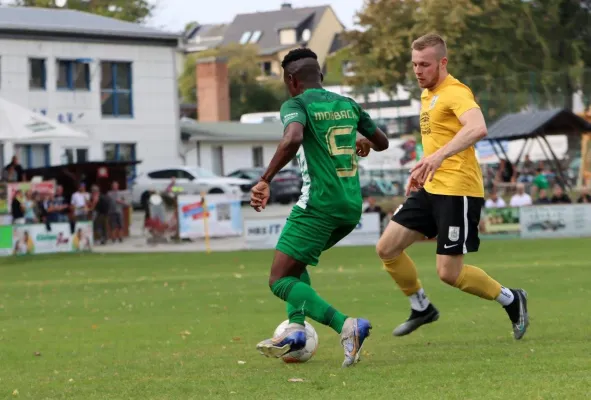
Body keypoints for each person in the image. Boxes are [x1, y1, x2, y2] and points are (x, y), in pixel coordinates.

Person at [375, 34, 529, 341]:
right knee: (387, 248)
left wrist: (437, 157)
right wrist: (423, 167)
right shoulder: (426, 94)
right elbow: (440, 139)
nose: (418, 71)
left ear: (442, 62)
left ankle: (512, 299)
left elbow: (478, 127)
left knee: (449, 274)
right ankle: (422, 308)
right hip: (431, 187)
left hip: (458, 191)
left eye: (425, 65)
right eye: (415, 64)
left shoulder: (455, 92)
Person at [249, 48, 390, 367]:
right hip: (350, 206)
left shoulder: (295, 104)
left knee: (279, 280)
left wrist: (264, 179)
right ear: (320, 77)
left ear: (290, 79)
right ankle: (296, 331)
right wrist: (363, 143)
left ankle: (347, 326)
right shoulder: (348, 104)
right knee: (295, 265)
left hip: (319, 204)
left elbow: (293, 137)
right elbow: (382, 142)